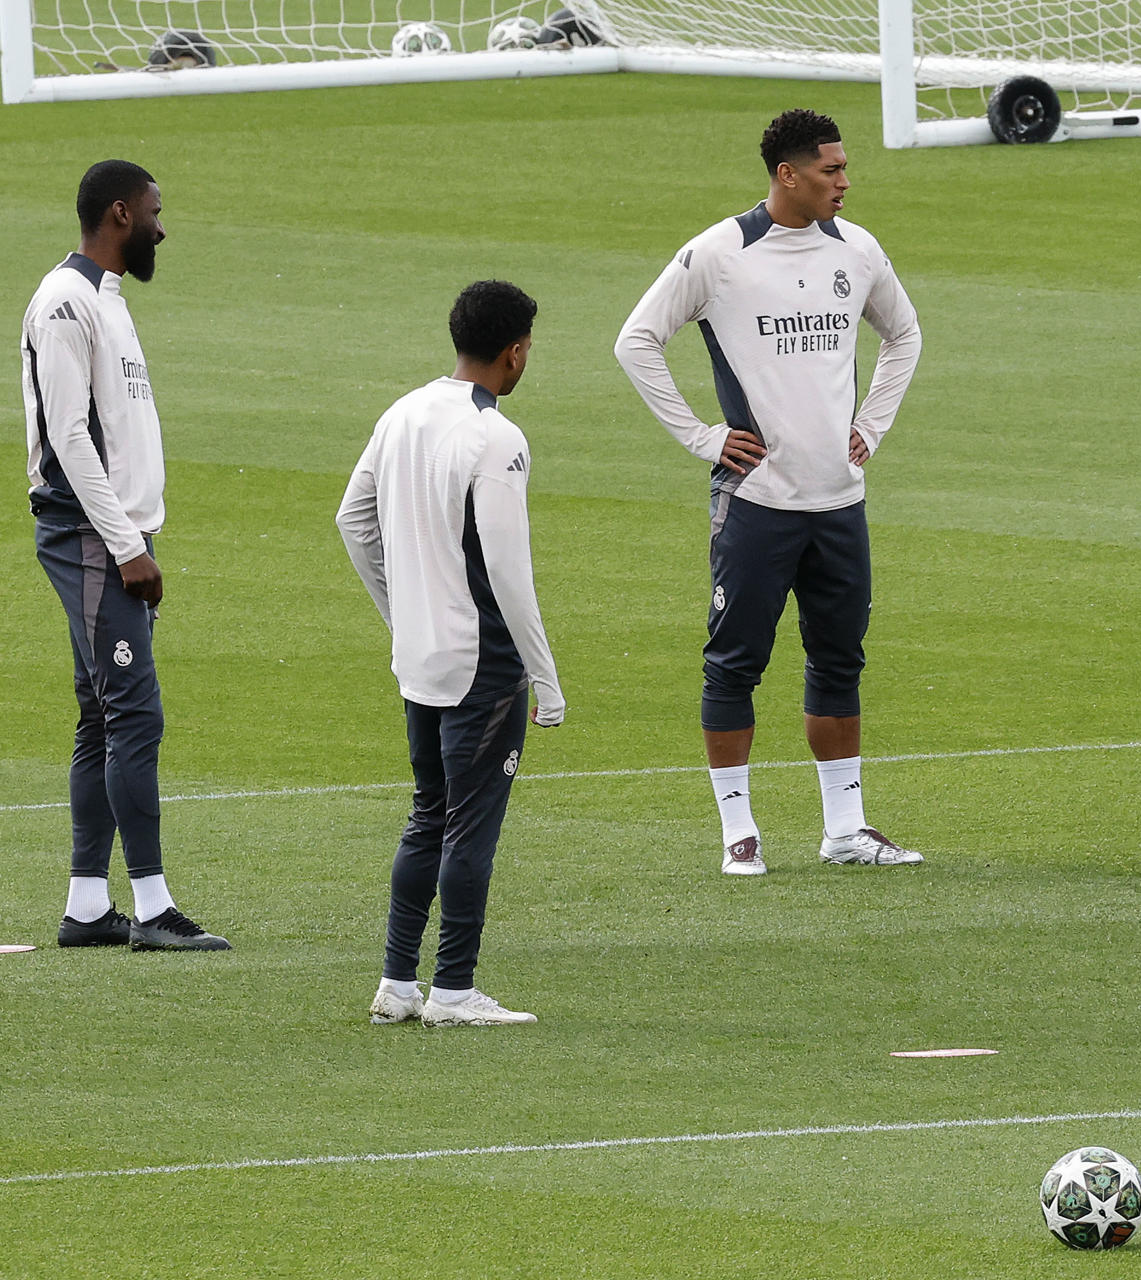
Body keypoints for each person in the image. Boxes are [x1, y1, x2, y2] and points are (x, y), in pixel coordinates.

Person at [614, 109, 923, 877]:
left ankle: (845, 829)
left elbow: (904, 333)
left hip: (839, 501)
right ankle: (738, 832)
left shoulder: (858, 250)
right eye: (831, 171)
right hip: (756, 504)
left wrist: (872, 427)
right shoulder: (719, 254)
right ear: (788, 175)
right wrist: (704, 437)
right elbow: (636, 340)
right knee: (734, 665)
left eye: (845, 169)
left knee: (839, 659)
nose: (845, 183)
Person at [337, 280, 565, 1028]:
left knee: (427, 813)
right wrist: (545, 675)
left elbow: (353, 520)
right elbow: (507, 570)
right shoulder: (497, 437)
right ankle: (455, 990)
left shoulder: (403, 411)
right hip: (482, 662)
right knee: (469, 823)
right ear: (516, 350)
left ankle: (398, 984)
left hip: (421, 658)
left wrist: (401, 613)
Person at [24, 160, 229, 952]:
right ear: (118, 213)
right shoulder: (66, 303)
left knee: (100, 715)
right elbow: (70, 436)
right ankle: (151, 908)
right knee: (134, 713)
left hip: (115, 533)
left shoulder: (105, 302)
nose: (161, 226)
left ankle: (85, 907)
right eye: (153, 211)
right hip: (90, 533)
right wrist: (124, 546)